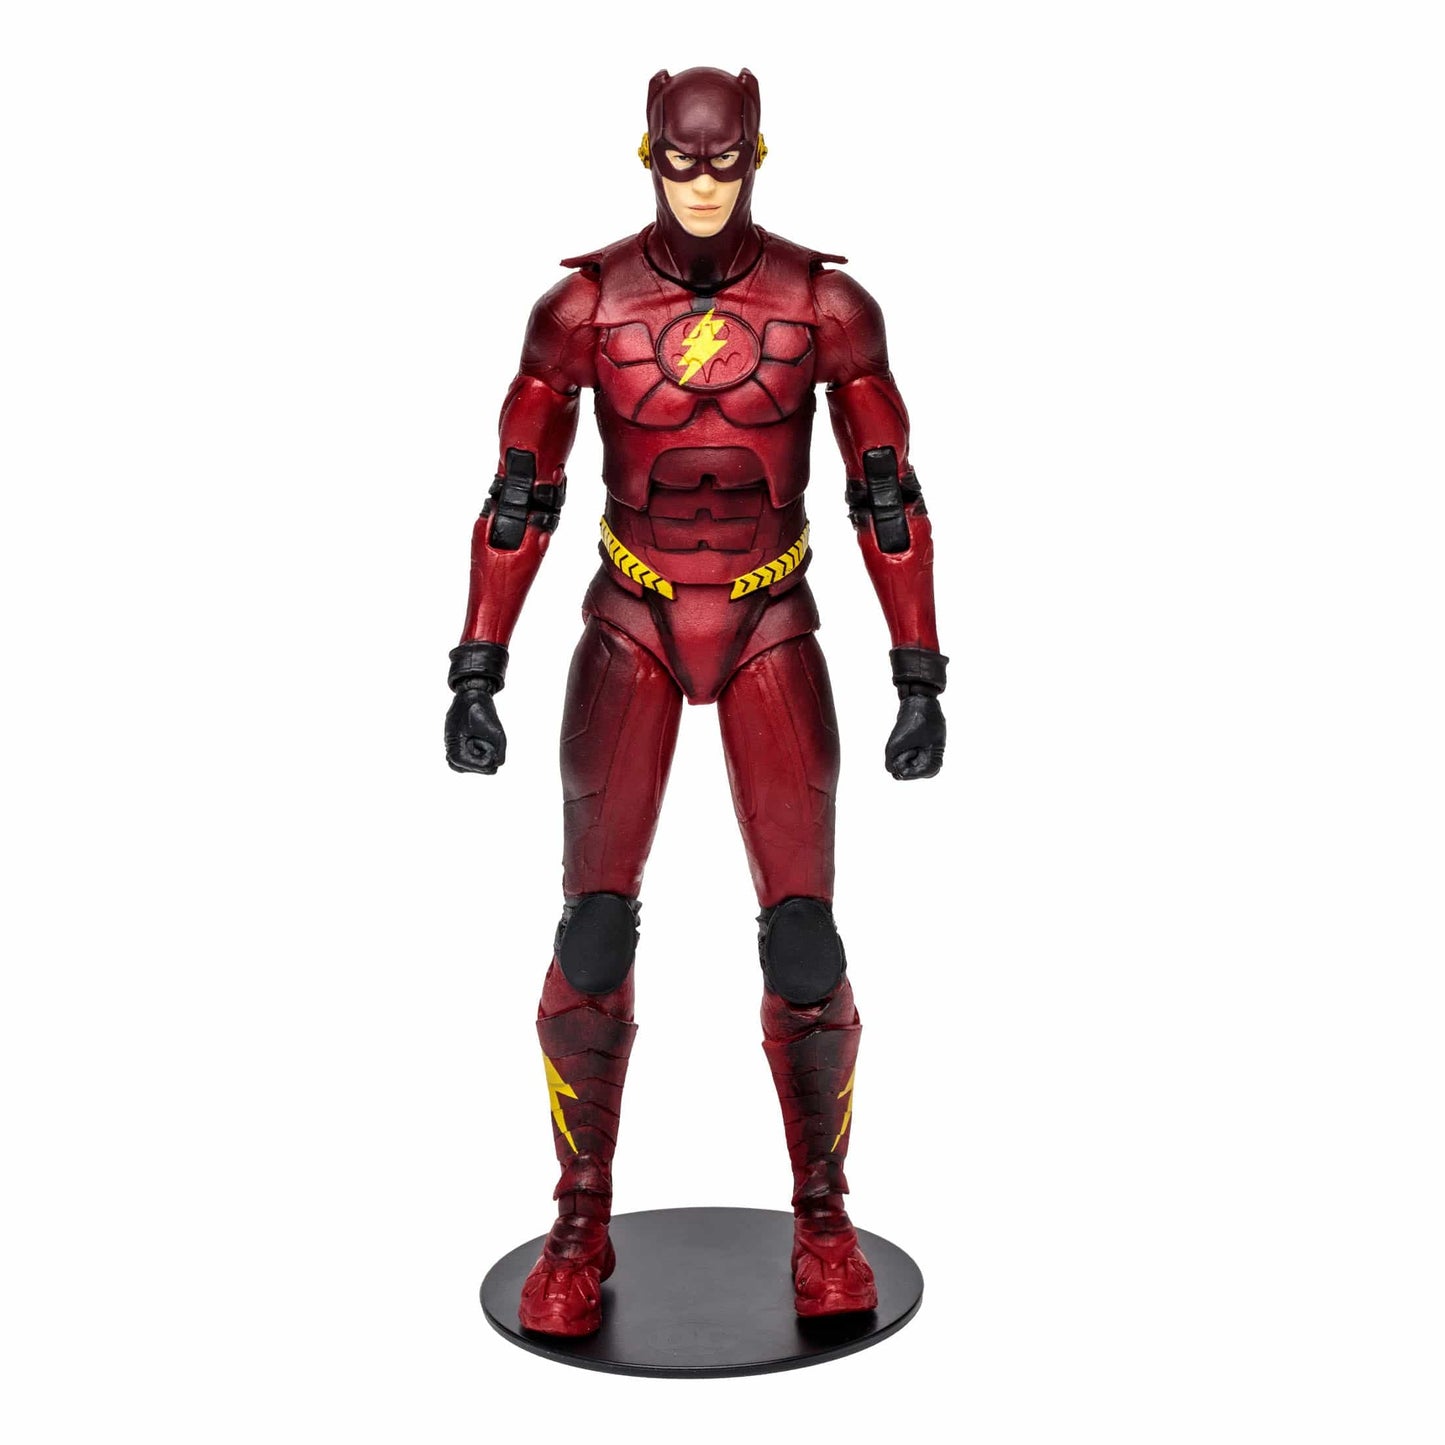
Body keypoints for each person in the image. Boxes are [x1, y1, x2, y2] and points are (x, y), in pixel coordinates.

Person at [445, 66, 947, 1337]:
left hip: (772, 615)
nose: (704, 185)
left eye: (724, 163)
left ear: (757, 154)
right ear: (648, 155)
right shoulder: (582, 308)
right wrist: (476, 660)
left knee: (802, 938)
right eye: (683, 162)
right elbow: (520, 493)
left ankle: (822, 1218)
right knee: (593, 931)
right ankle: (579, 1220)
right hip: (631, 615)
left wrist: (918, 668)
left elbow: (885, 491)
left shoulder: (825, 306)